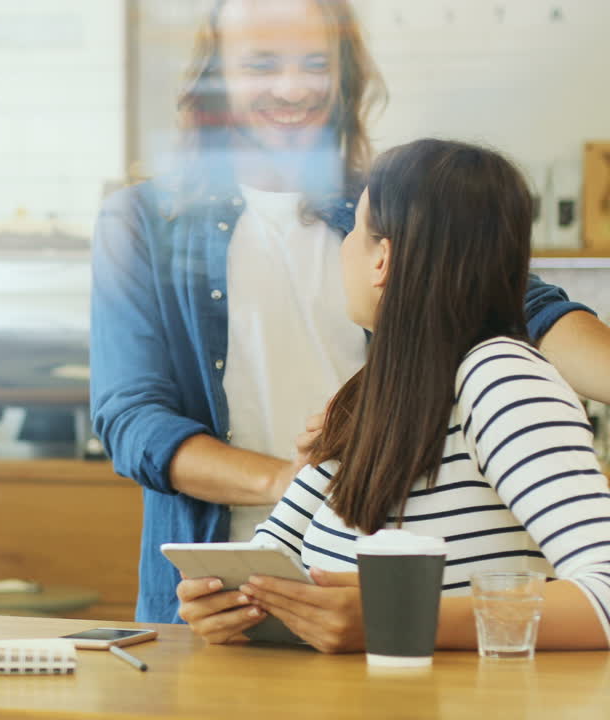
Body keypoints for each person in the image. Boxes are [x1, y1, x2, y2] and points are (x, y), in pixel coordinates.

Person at [89, 0, 610, 624]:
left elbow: (517, 304)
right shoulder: (144, 223)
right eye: (261, 64)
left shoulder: (390, 201)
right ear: (215, 77)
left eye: (315, 62)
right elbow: (132, 419)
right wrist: (309, 484)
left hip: (391, 584)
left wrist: (387, 600)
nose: (292, 86)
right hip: (244, 588)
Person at [177, 138, 610, 652]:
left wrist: (398, 618)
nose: (343, 247)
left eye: (354, 229)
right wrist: (227, 604)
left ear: (382, 258)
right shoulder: (365, 397)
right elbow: (271, 556)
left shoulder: (500, 378)